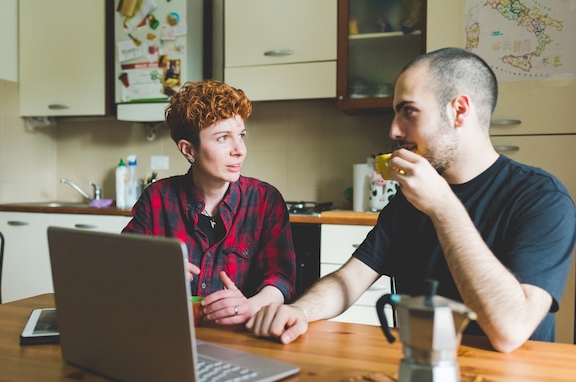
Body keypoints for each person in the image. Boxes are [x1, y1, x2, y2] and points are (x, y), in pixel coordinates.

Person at [246, 48, 576, 353]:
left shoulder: (542, 199)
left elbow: (510, 331)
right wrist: (299, 311)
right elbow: (350, 278)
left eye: (409, 112)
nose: (394, 130)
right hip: (418, 366)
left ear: (459, 111)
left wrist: (443, 207)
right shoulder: (407, 201)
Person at [123, 79, 296, 325]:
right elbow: (124, 264)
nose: (240, 150)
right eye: (223, 138)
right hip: (169, 330)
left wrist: (250, 305)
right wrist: (153, 269)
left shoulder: (265, 201)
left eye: (241, 136)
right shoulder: (158, 198)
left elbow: (281, 278)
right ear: (188, 150)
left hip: (240, 338)